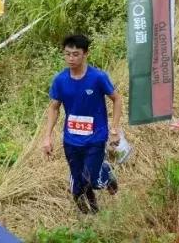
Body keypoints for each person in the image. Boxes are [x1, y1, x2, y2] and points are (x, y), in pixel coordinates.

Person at [41, 34, 123, 214]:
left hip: (96, 137)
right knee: (78, 185)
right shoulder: (60, 80)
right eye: (67, 54)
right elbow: (54, 108)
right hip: (71, 140)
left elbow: (117, 99)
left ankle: (106, 172)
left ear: (86, 54)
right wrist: (47, 137)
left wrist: (115, 129)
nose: (71, 58)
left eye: (76, 54)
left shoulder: (98, 77)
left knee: (92, 179)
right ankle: (92, 215)